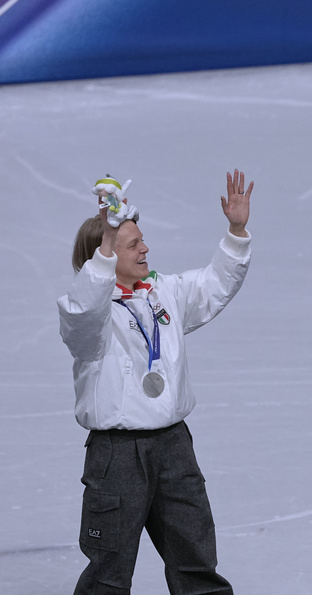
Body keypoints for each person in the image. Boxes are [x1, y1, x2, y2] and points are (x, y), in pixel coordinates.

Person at [58, 170, 254, 594]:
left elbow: (214, 285)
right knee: (108, 575)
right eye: (133, 244)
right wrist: (108, 242)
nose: (146, 247)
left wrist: (236, 232)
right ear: (106, 253)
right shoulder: (90, 313)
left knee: (196, 563)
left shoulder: (163, 293)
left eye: (141, 239)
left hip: (174, 448)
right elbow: (82, 311)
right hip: (118, 456)